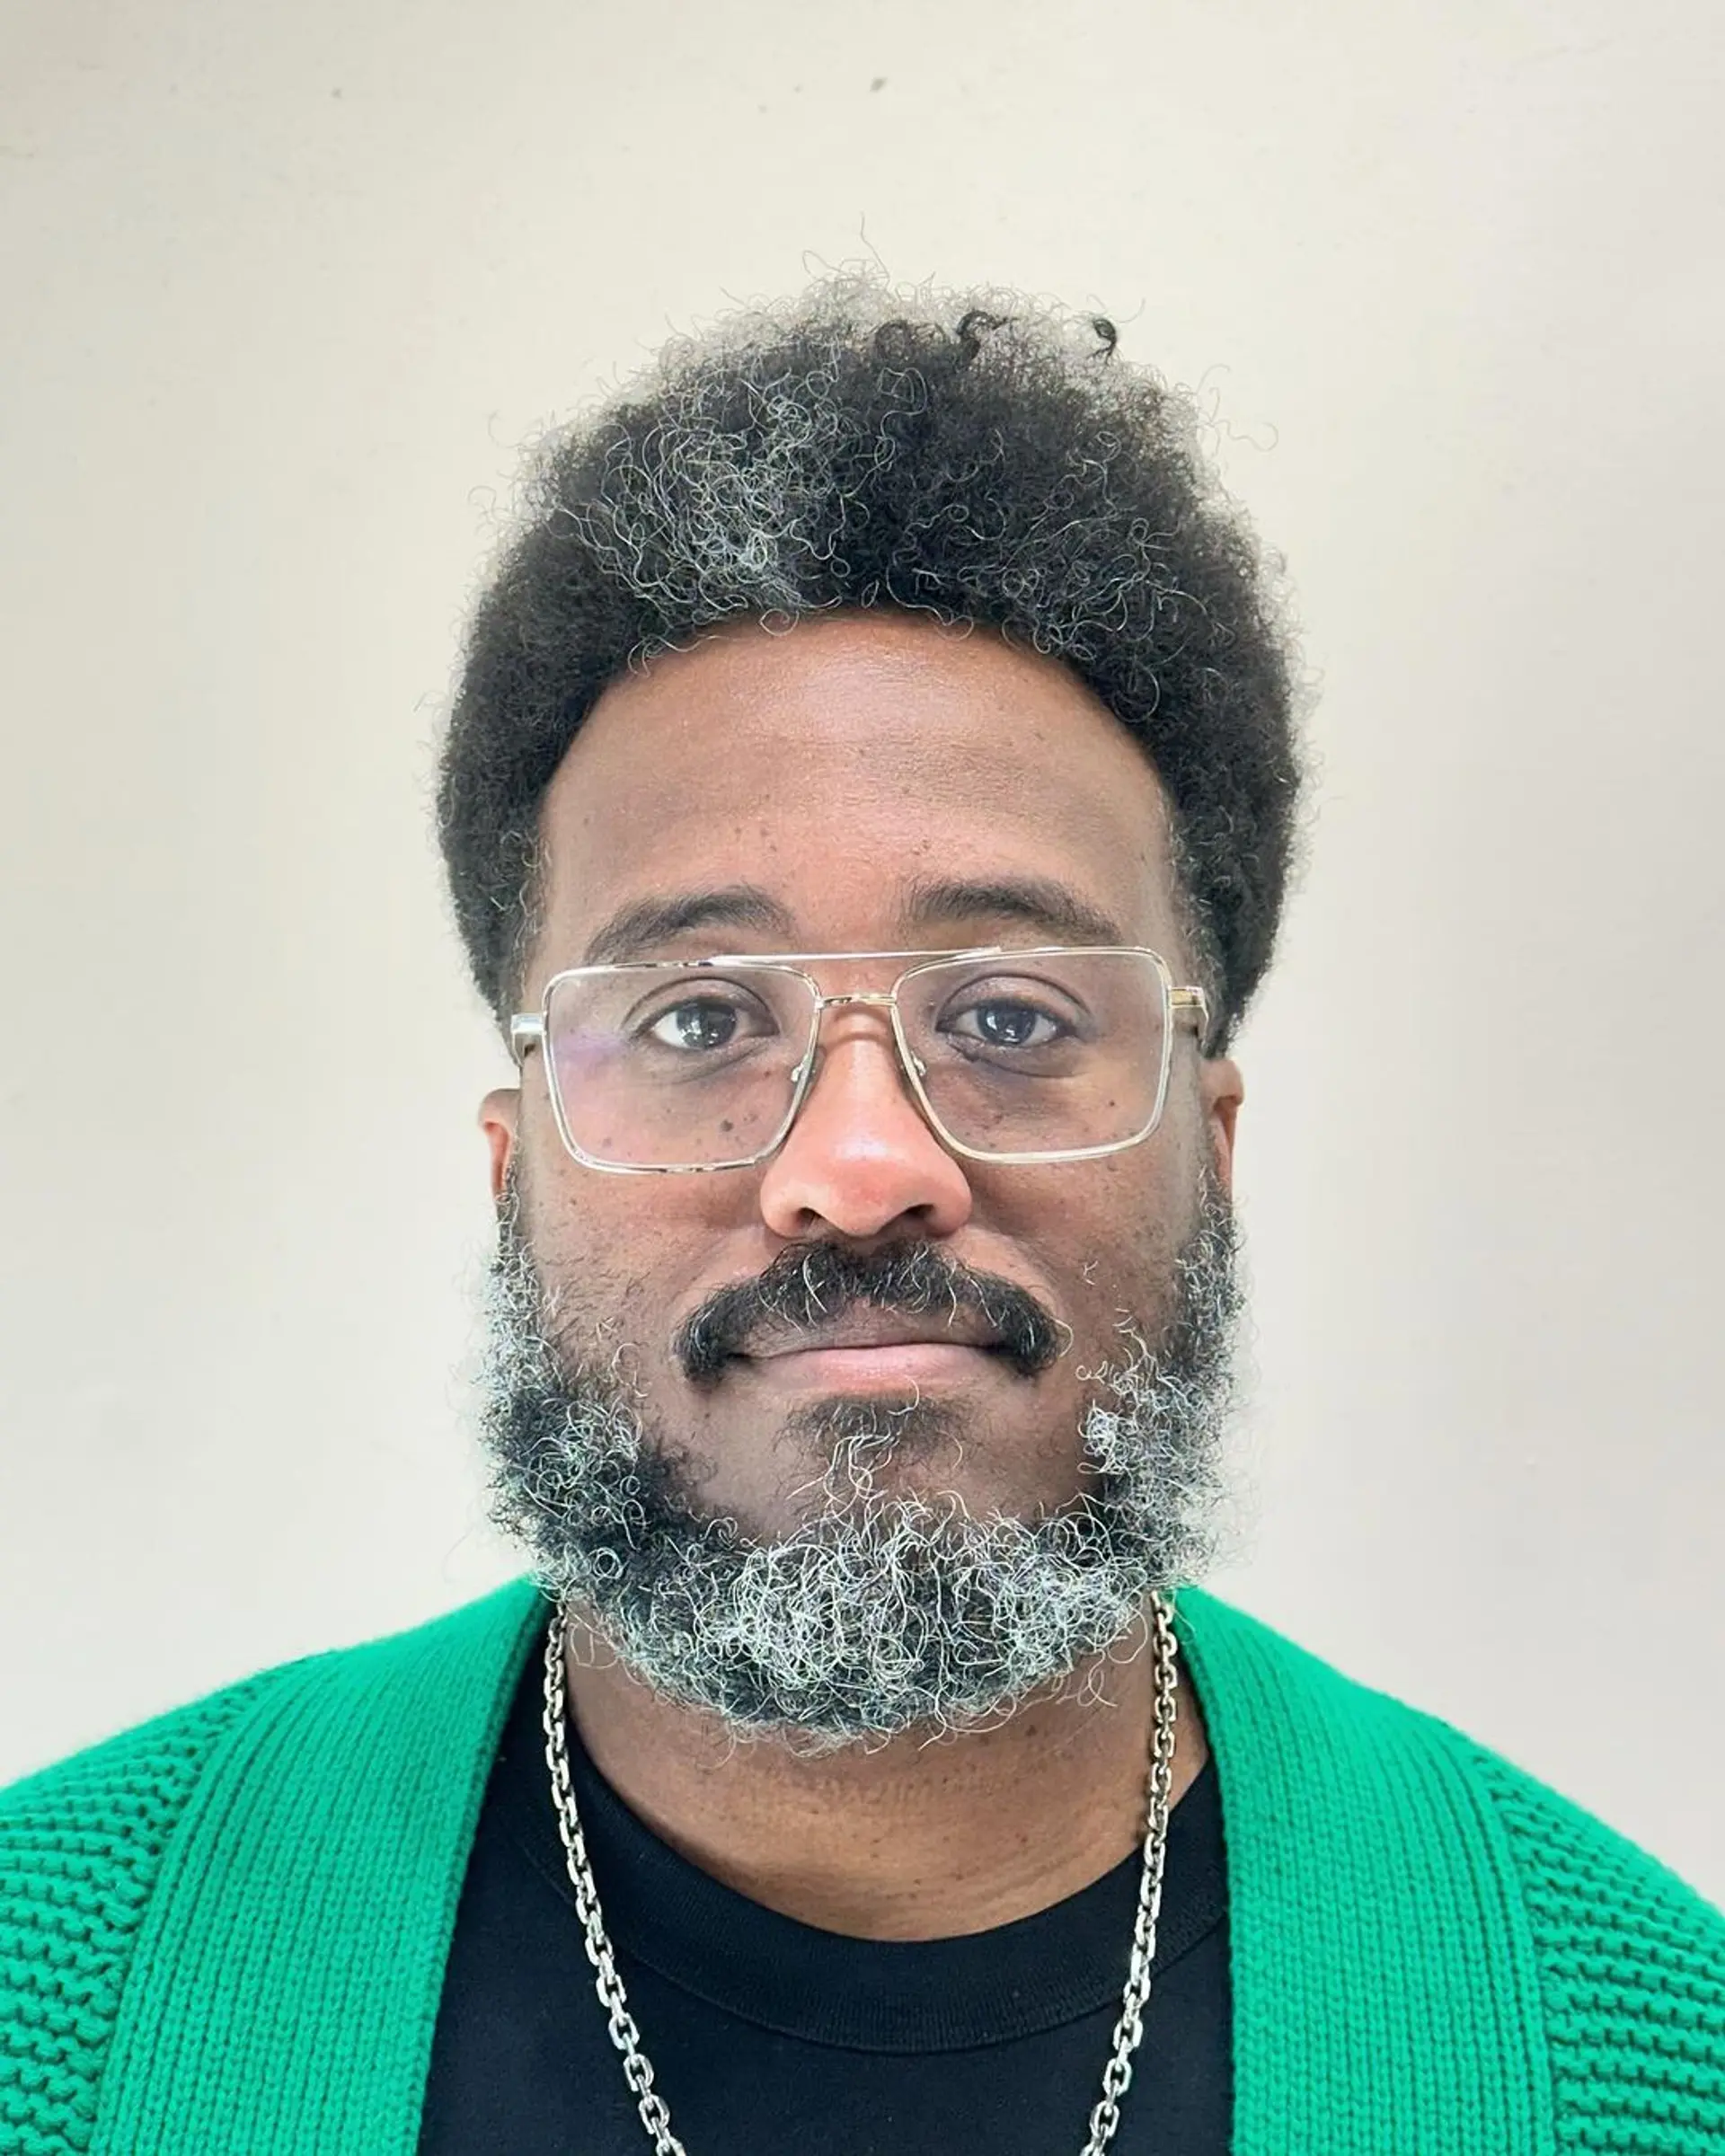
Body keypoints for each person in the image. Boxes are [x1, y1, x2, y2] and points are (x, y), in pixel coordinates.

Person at [2, 279, 1721, 2156]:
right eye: (695, 1020)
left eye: (1009, 1019)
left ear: (1208, 1151)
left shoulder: (1638, 2057)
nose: (857, 1163)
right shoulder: (49, 2006)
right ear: (514, 1177)